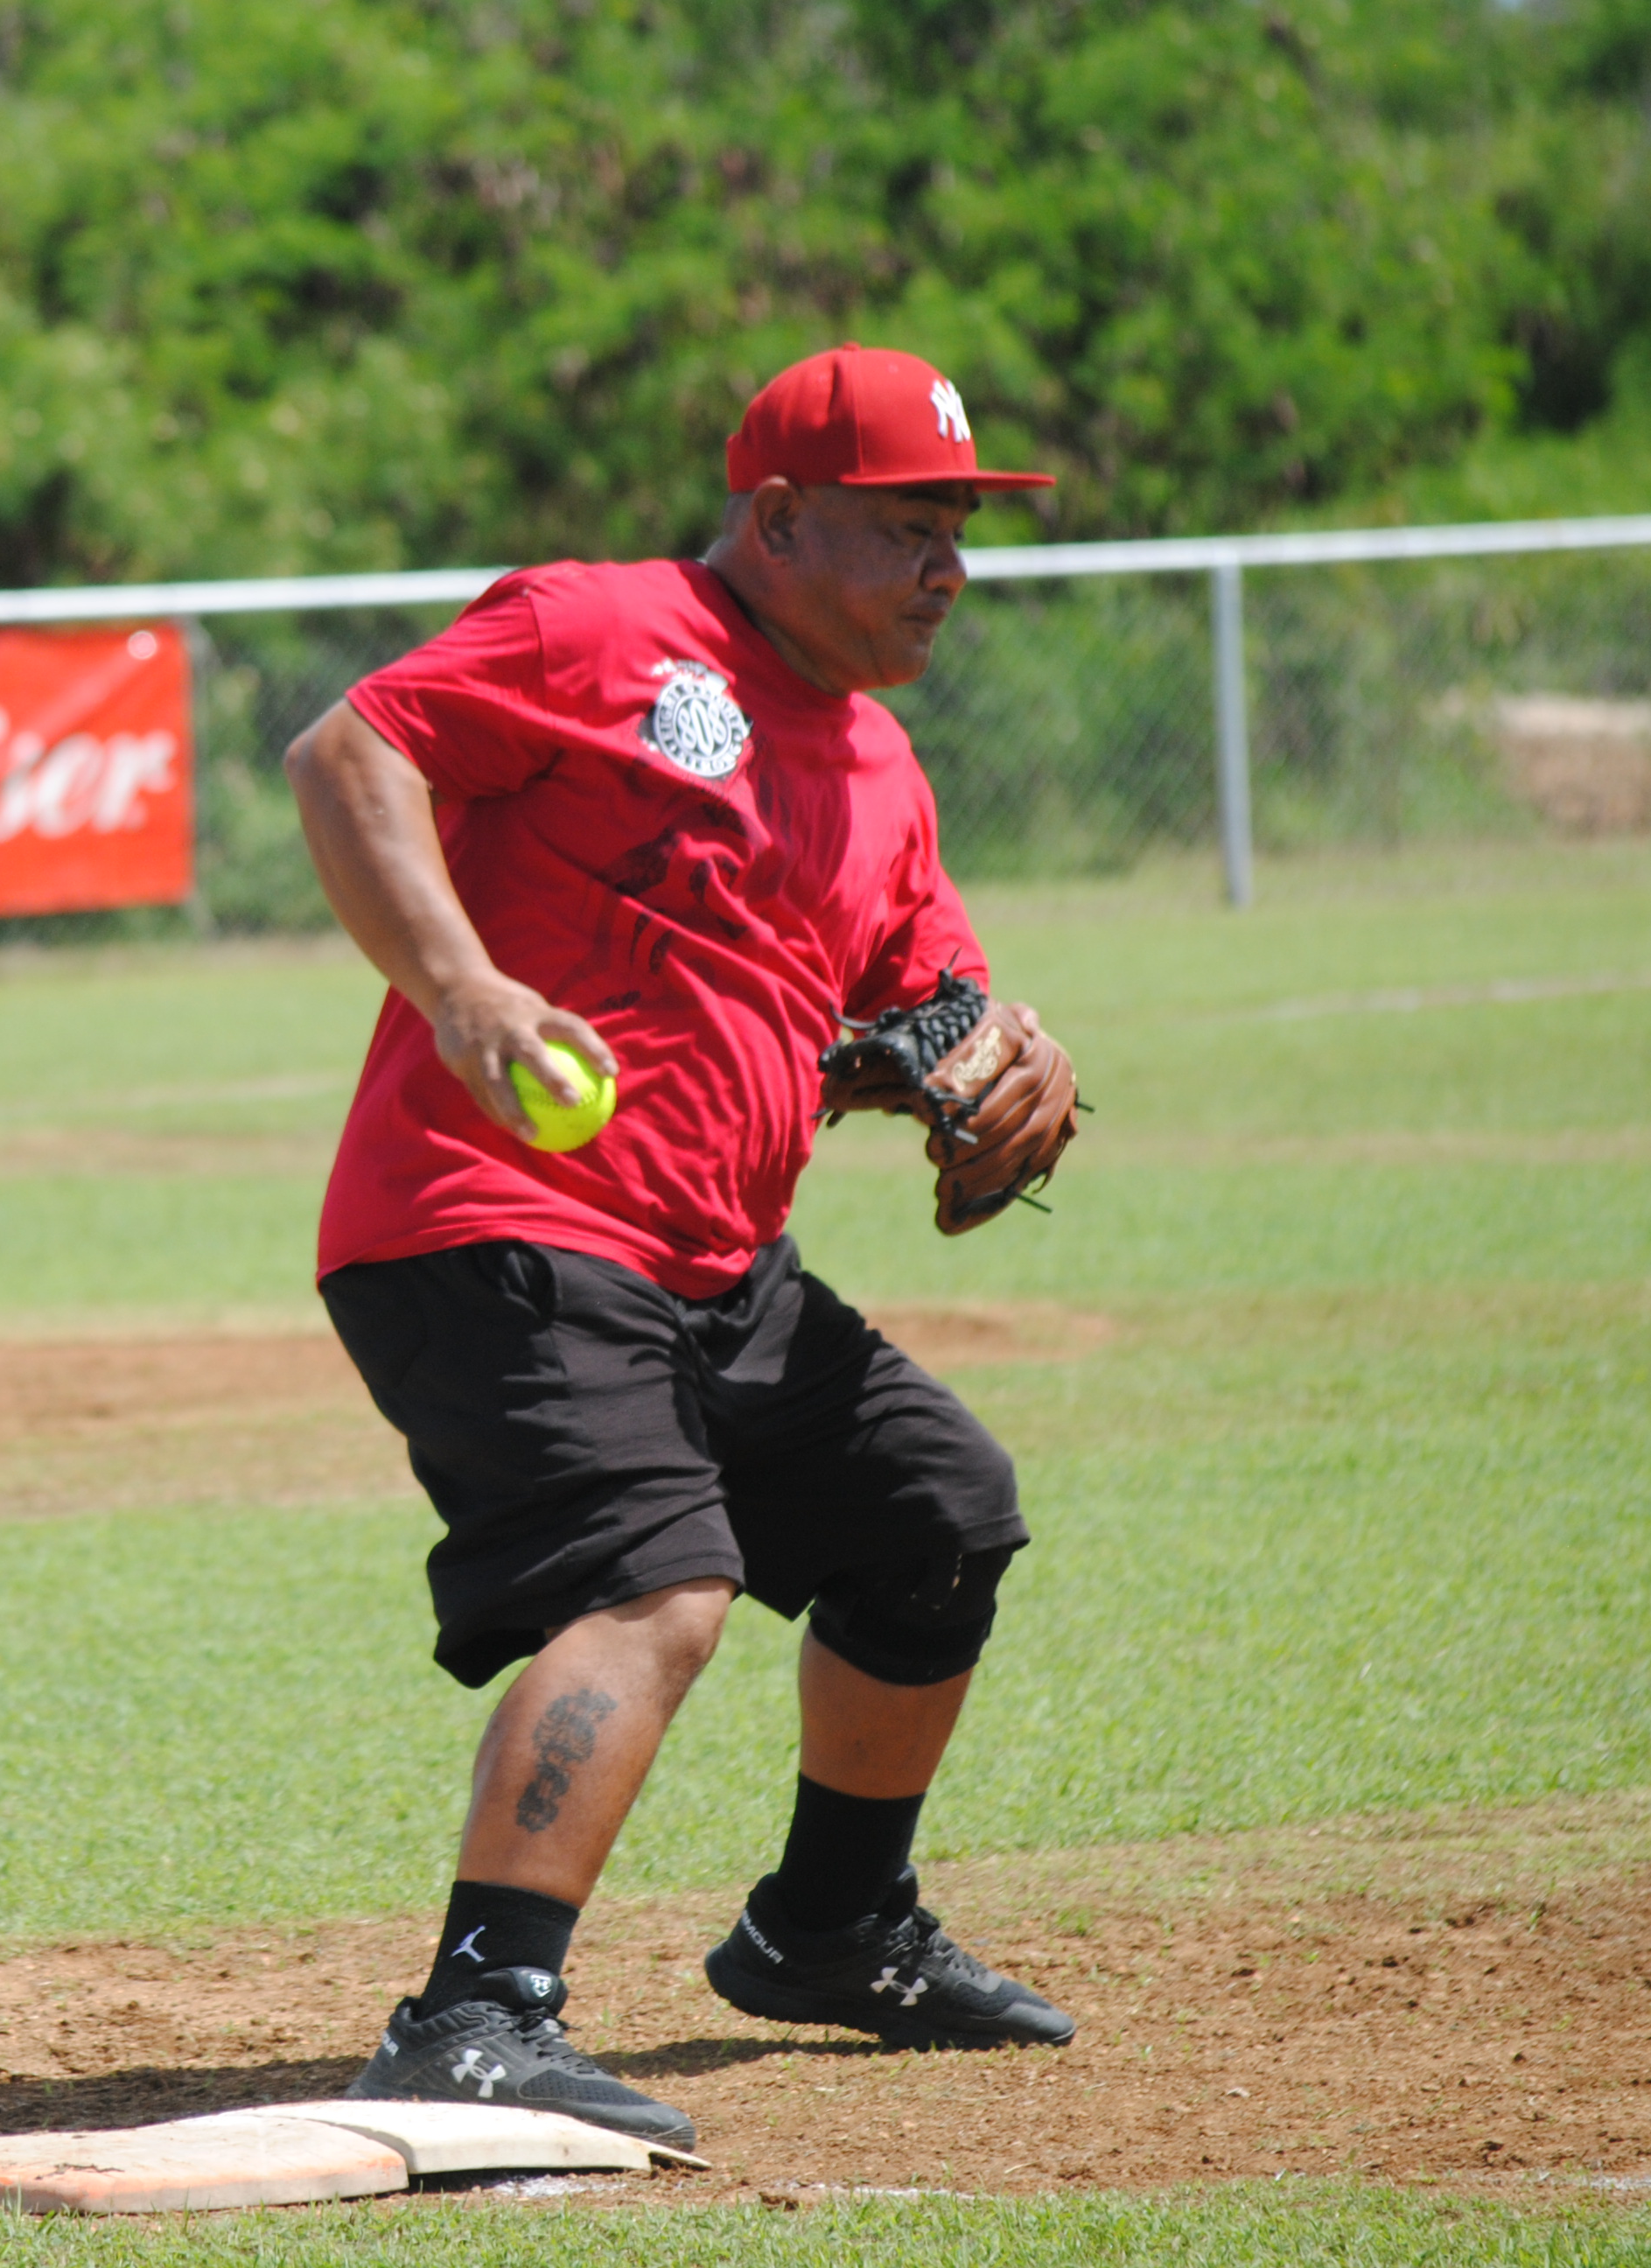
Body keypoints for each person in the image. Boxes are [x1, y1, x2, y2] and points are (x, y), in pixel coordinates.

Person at [282, 343, 1082, 2150]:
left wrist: (1000, 1074)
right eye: (909, 525)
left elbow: (925, 1005)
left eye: (961, 525)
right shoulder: (597, 631)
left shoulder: (879, 764)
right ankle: (476, 2010)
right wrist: (461, 984)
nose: (949, 562)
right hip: (489, 1219)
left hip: (718, 1265)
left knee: (933, 1514)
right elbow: (351, 749)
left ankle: (830, 1928)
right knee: (655, 1576)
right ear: (778, 520)